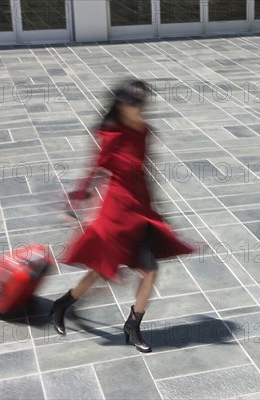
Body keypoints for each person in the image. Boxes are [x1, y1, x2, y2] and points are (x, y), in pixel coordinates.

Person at [50, 80, 193, 352]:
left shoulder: (145, 131)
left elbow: (147, 170)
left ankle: (133, 325)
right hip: (116, 216)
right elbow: (94, 171)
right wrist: (76, 204)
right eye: (134, 102)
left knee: (150, 270)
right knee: (101, 272)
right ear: (121, 104)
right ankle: (62, 305)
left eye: (142, 102)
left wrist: (157, 207)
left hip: (141, 212)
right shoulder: (111, 135)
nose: (139, 107)